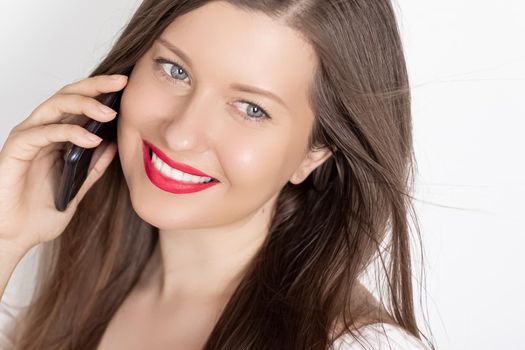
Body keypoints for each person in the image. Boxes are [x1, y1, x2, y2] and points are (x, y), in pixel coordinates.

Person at [0, 0, 435, 349]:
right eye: (175, 70)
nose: (182, 133)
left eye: (251, 108)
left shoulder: (358, 344)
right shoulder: (56, 276)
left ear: (314, 153)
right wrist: (6, 239)